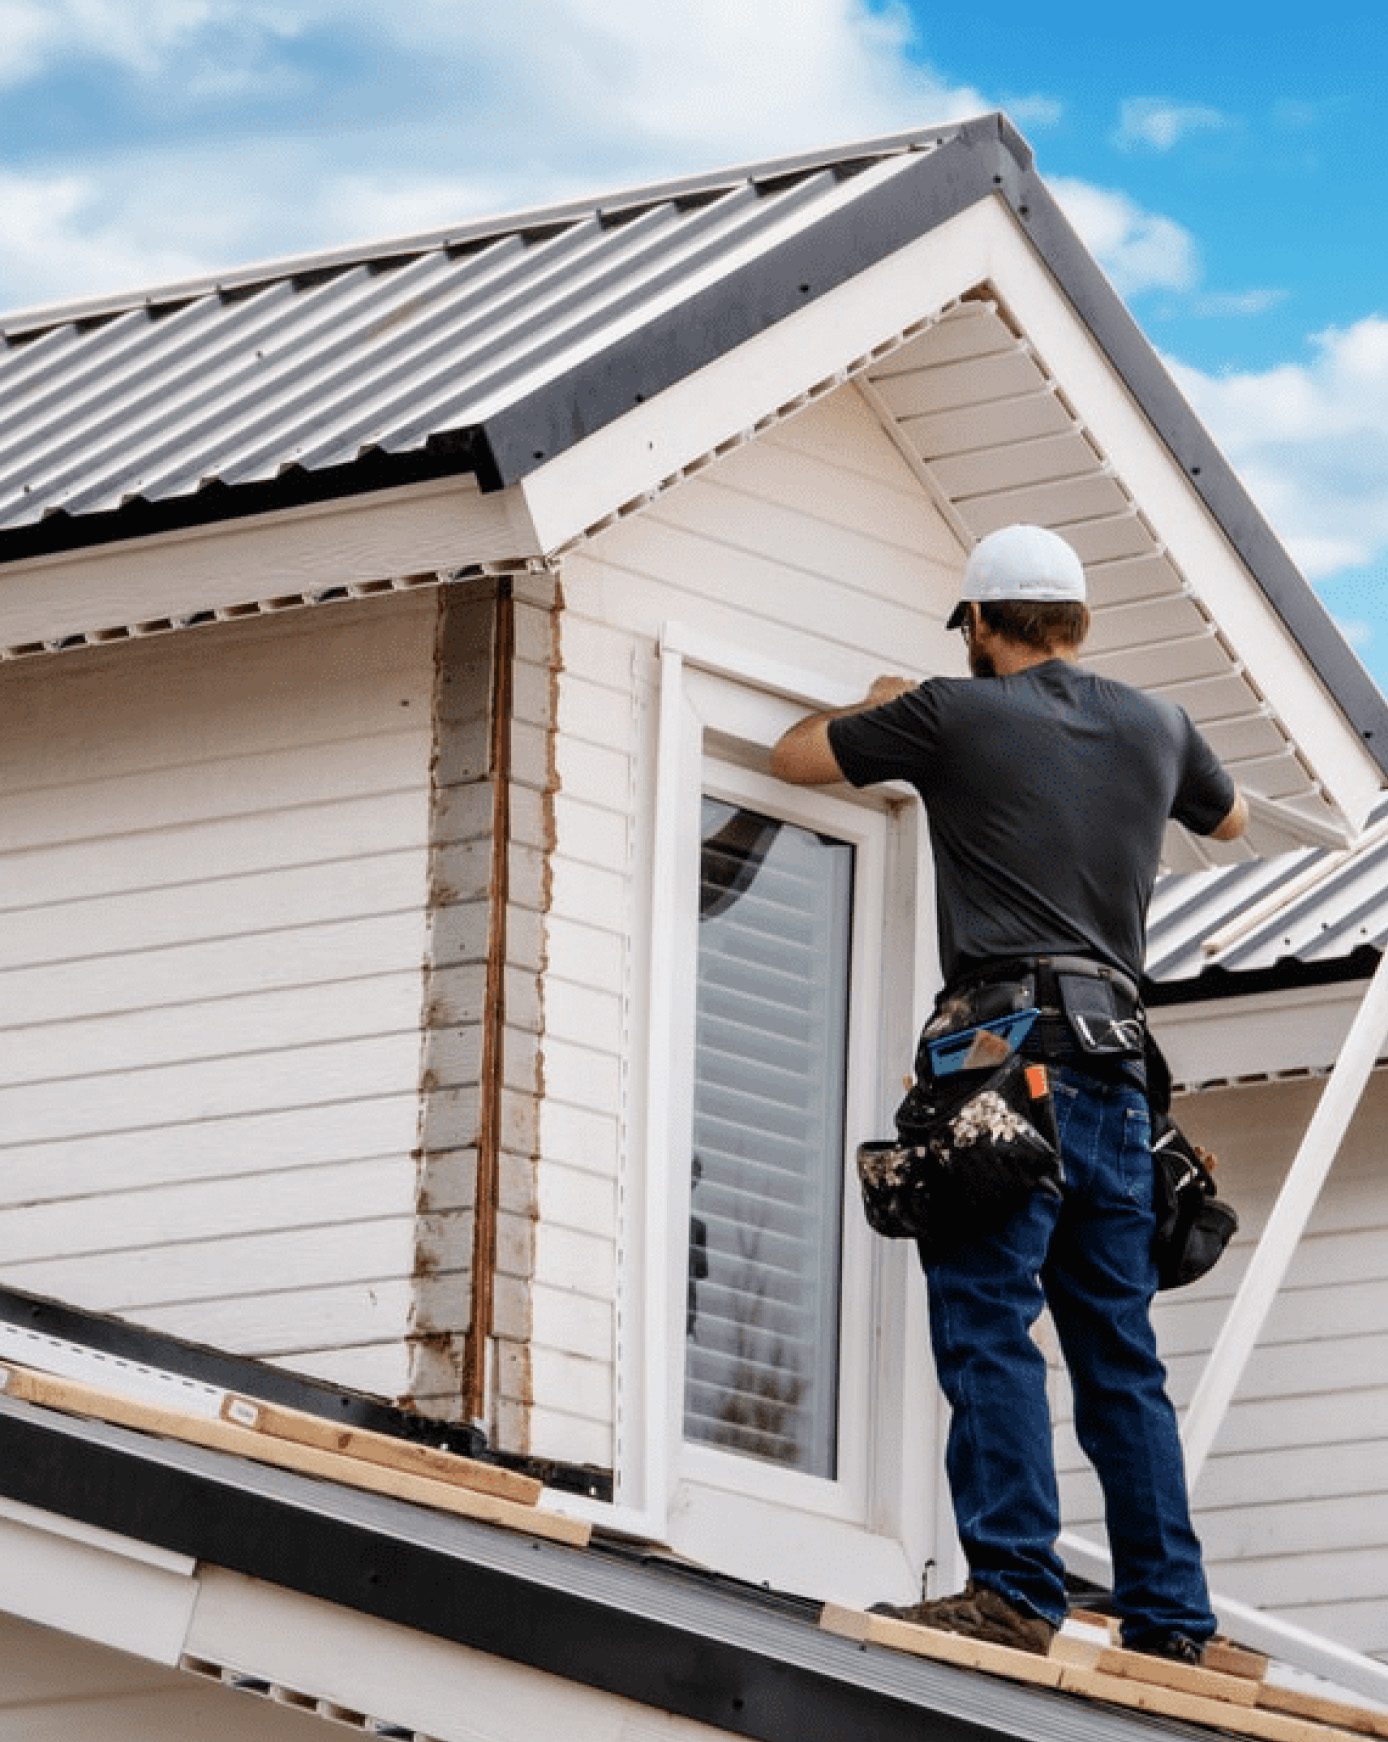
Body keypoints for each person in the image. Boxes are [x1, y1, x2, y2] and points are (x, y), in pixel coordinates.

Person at [769, 522, 1247, 1664]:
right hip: (1118, 1076)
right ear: (1077, 623)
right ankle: (1171, 1616)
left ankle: (1013, 1590)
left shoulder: (948, 710)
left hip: (1003, 1068)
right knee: (1116, 1351)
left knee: (987, 1323)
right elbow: (1228, 820)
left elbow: (795, 757)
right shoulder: (1157, 725)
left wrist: (882, 702)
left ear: (981, 625)